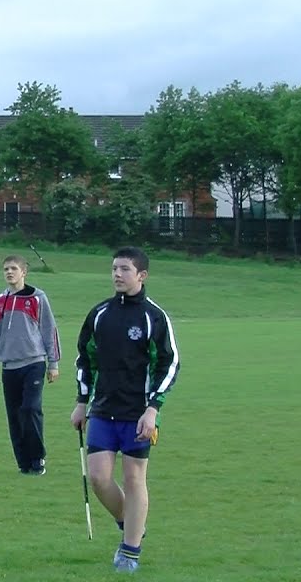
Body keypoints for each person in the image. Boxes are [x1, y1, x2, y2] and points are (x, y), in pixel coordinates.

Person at [70, 246, 179, 574]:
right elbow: (85, 359)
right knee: (100, 479)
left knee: (134, 479)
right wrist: (80, 402)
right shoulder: (100, 313)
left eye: (125, 269)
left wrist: (153, 409)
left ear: (141, 276)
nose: (117, 274)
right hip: (102, 410)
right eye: (114, 269)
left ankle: (130, 551)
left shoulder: (153, 316)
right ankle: (131, 522)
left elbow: (169, 363)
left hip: (137, 414)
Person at [0, 254, 62, 475]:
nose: (9, 272)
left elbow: (49, 330)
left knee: (30, 409)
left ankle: (37, 458)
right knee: (15, 416)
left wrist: (53, 363)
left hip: (34, 363)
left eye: (13, 269)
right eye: (6, 269)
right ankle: (23, 463)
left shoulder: (37, 298)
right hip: (9, 367)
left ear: (23, 272)